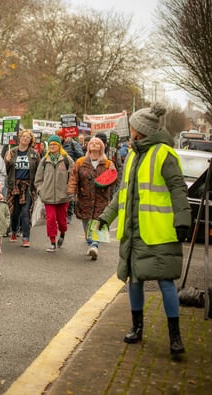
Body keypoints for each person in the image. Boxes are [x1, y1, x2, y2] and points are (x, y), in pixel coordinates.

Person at [97, 104, 190, 356]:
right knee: (134, 281)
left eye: (133, 126)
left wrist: (183, 220)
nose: (130, 130)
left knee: (166, 282)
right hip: (134, 231)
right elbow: (122, 193)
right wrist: (106, 217)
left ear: (141, 130)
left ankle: (175, 337)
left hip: (159, 231)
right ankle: (136, 328)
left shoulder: (164, 154)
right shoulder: (133, 156)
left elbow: (178, 189)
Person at [68, 137, 116, 260]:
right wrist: (71, 193)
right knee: (86, 221)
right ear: (88, 147)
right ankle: (91, 242)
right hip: (85, 198)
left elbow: (113, 180)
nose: (94, 145)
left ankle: (94, 245)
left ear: (101, 147)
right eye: (92, 143)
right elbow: (74, 178)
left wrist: (112, 175)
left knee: (98, 221)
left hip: (101, 199)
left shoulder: (107, 163)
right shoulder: (80, 162)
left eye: (97, 143)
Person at [34, 134, 74, 252]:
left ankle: (62, 233)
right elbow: (38, 179)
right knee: (50, 220)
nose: (52, 146)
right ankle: (52, 242)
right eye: (50, 144)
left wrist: (70, 191)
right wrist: (41, 190)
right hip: (48, 196)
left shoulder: (67, 160)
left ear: (59, 146)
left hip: (63, 196)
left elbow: (73, 177)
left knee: (62, 220)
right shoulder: (44, 161)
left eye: (54, 145)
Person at [4, 129, 40, 248]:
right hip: (14, 186)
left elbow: (39, 171)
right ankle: (14, 231)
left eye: (28, 137)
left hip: (28, 186)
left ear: (30, 141)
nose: (25, 139)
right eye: (23, 136)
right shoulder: (11, 152)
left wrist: (38, 186)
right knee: (15, 212)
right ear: (20, 138)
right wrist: (7, 161)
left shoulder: (34, 154)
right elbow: (5, 170)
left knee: (25, 212)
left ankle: (26, 237)